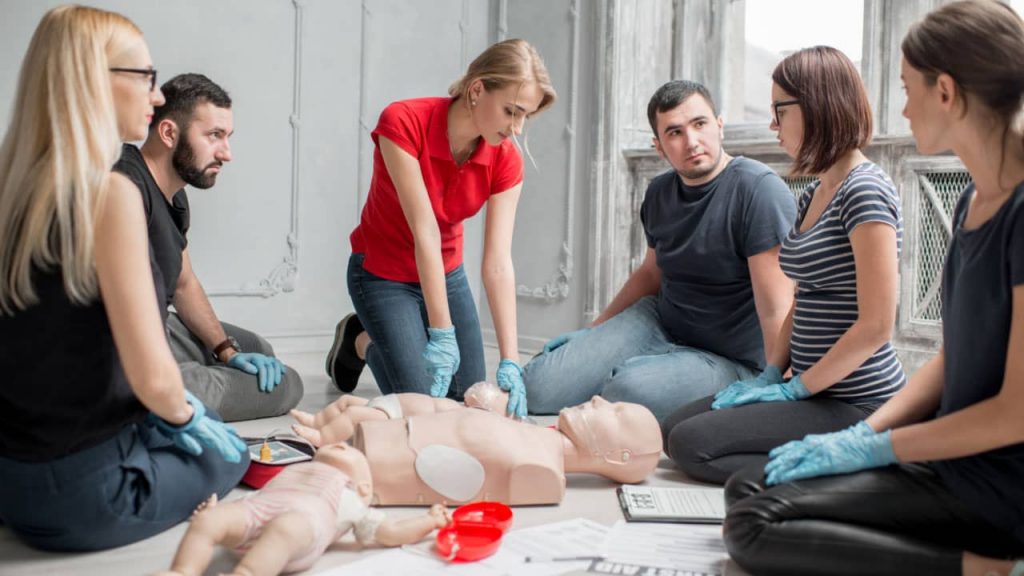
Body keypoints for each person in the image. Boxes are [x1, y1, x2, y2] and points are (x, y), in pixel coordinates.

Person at [723, 2, 1024, 575]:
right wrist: (863, 434)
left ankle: (981, 567)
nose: (903, 110)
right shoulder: (972, 200)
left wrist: (877, 448)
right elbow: (951, 359)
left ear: (947, 92)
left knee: (751, 524)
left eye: (909, 90)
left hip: (995, 485)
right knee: (751, 486)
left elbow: (1015, 413)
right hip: (943, 459)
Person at [0, 6, 248, 552]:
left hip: (12, 476)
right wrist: (189, 422)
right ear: (95, 79)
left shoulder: (14, 188)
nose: (157, 96)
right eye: (147, 79)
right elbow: (155, 379)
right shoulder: (110, 193)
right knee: (232, 455)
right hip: (80, 498)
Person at [661, 46, 905, 484]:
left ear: (817, 106)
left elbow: (877, 326)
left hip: (855, 400)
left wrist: (797, 389)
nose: (773, 124)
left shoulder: (865, 190)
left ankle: (845, 466)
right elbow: (802, 295)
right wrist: (773, 373)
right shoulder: (815, 193)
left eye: (780, 111)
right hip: (810, 389)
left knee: (691, 445)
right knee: (671, 428)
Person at [522, 80, 797, 422]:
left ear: (719, 126)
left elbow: (777, 306)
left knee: (626, 390)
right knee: (537, 385)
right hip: (660, 321)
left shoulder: (757, 190)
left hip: (729, 357)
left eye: (700, 124)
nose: (691, 141)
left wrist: (777, 380)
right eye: (675, 132)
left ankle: (641, 375)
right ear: (659, 146)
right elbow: (651, 273)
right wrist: (594, 331)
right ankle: (640, 369)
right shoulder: (659, 192)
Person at [325, 39, 557, 419]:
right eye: (510, 112)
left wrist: (511, 360)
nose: (516, 129)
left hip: (447, 274)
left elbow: (498, 263)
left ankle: (379, 336)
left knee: (468, 401)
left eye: (524, 117)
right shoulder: (402, 122)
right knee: (424, 409)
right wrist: (442, 334)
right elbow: (425, 231)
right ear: (477, 89)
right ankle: (360, 340)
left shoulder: (506, 162)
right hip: (382, 274)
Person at [113, 73, 303, 422]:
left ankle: (194, 369)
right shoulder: (123, 186)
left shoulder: (175, 195)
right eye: (214, 136)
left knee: (258, 350)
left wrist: (226, 351)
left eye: (227, 137)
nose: (226, 153)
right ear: (169, 133)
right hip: (121, 347)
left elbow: (184, 283)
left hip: (161, 326)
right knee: (288, 385)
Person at [158, 443, 450, 576]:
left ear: (365, 489)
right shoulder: (296, 470)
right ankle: (182, 570)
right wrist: (217, 514)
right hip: (255, 513)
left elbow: (389, 532)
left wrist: (428, 521)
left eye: (350, 450)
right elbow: (258, 497)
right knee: (212, 520)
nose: (340, 444)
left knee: (288, 527)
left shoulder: (351, 499)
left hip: (299, 529)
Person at [353, 395, 661, 506]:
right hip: (377, 437)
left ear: (619, 457)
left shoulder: (540, 472)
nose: (598, 399)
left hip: (368, 464)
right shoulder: (533, 436)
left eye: (616, 413)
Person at [290, 381, 511, 446]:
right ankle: (318, 421)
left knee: (353, 414)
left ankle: (323, 437)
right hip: (389, 402)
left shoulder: (462, 418)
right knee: (346, 401)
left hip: (392, 417)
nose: (488, 389)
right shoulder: (459, 405)